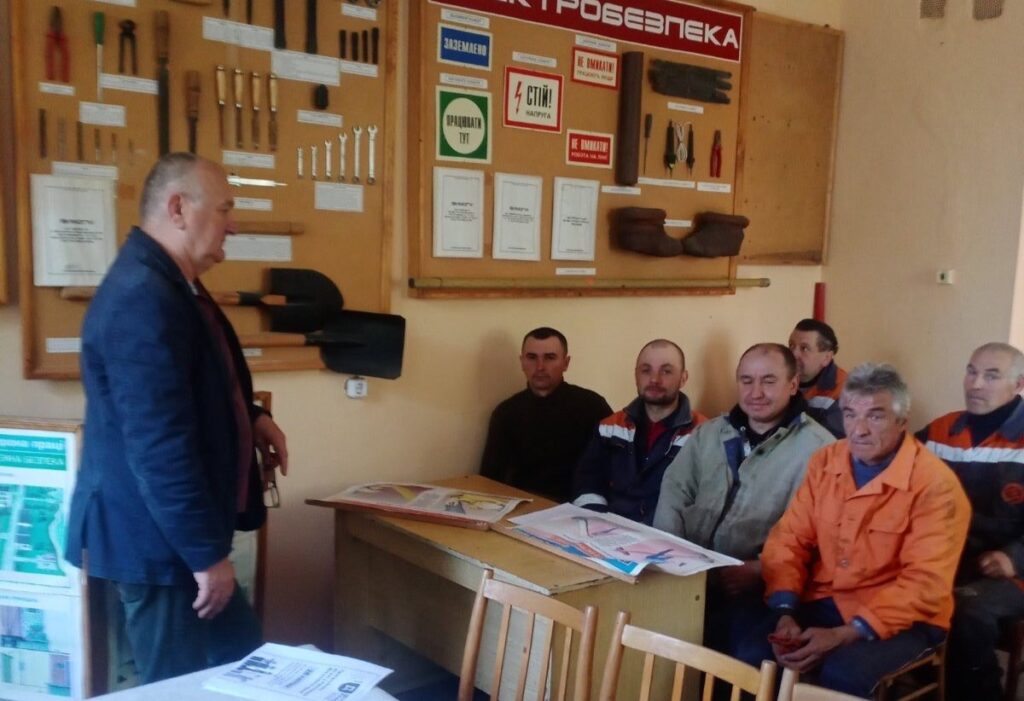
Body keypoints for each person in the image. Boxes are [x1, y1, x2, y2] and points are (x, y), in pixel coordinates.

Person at [66, 153, 289, 683]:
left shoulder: (171, 282)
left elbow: (194, 384)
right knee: (179, 686)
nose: (233, 225)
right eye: (225, 209)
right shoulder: (141, 296)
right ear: (178, 209)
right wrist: (206, 557)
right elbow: (158, 446)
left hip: (176, 540)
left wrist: (252, 416)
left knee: (248, 669)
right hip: (158, 546)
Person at [737, 363, 970, 698]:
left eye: (875, 416)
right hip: (824, 599)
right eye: (850, 414)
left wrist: (846, 634)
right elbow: (788, 540)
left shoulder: (936, 486)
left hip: (906, 618)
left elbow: (924, 584)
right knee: (751, 655)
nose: (858, 430)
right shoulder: (826, 461)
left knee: (842, 675)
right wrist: (784, 611)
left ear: (902, 421)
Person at [654, 343, 834, 655]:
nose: (756, 392)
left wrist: (761, 569)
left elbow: (818, 538)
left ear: (793, 385)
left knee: (736, 653)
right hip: (688, 575)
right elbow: (675, 491)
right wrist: (670, 556)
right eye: (746, 380)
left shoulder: (821, 451)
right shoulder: (710, 433)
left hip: (759, 587)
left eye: (769, 381)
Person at [917, 343, 1024, 698]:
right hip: (951, 559)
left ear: (1018, 384)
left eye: (991, 376)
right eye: (971, 371)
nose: (976, 384)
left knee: (965, 612)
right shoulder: (941, 430)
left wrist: (1014, 557)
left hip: (1013, 572)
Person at [572, 339, 706, 525]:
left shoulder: (704, 435)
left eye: (666, 371)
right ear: (636, 375)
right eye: (646, 370)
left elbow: (706, 504)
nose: (654, 379)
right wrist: (597, 522)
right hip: (606, 529)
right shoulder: (609, 427)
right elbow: (587, 481)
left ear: (683, 378)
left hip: (666, 535)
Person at [480, 327, 611, 502]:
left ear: (566, 363)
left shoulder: (593, 406)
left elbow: (616, 467)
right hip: (524, 508)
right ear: (522, 362)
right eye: (532, 357)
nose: (540, 367)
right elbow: (490, 479)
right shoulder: (506, 413)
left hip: (582, 507)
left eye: (550, 358)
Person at [789, 319, 847, 437]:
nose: (794, 354)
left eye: (804, 348)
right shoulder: (780, 379)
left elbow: (830, 442)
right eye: (791, 345)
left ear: (826, 358)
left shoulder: (845, 391)